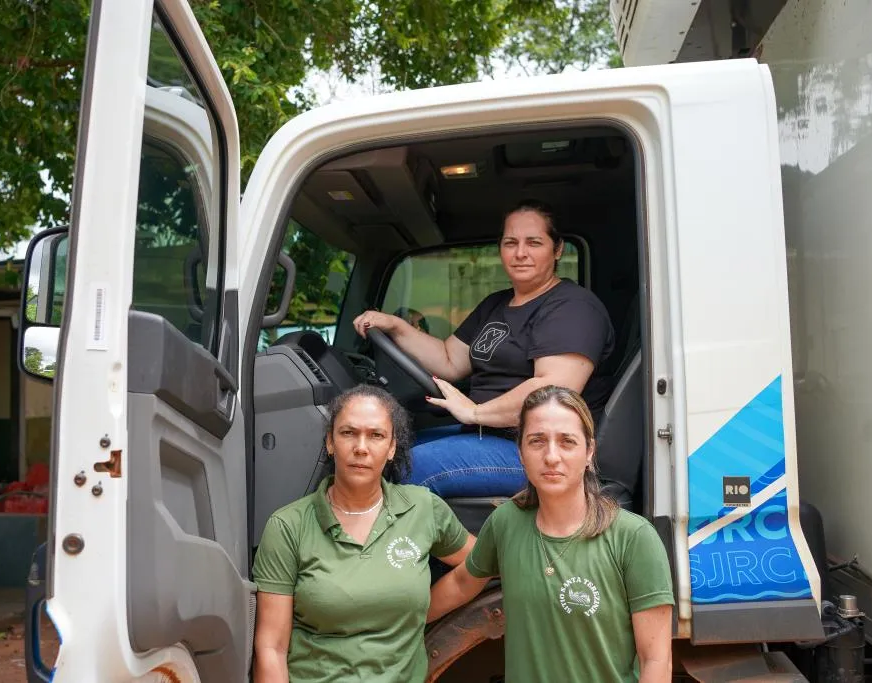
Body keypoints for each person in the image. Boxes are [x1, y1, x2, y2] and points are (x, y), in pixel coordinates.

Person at [353, 199, 615, 497]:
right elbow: (449, 360)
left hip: (541, 451)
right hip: (490, 435)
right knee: (386, 450)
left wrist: (476, 412)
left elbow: (549, 394)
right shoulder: (496, 304)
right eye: (510, 242)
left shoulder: (573, 307)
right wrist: (396, 326)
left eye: (534, 242)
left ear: (557, 249)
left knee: (405, 469)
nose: (520, 253)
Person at [427, 385, 673, 682]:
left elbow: (656, 661)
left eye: (567, 442)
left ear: (589, 451)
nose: (551, 456)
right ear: (520, 452)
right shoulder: (506, 522)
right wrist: (400, 621)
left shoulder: (633, 538)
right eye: (537, 441)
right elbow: (463, 581)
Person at [251, 385, 475, 683]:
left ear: (393, 447)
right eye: (348, 433)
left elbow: (478, 566)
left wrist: (413, 616)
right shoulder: (288, 525)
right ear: (330, 442)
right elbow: (271, 649)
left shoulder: (423, 508)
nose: (361, 447)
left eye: (376, 435)